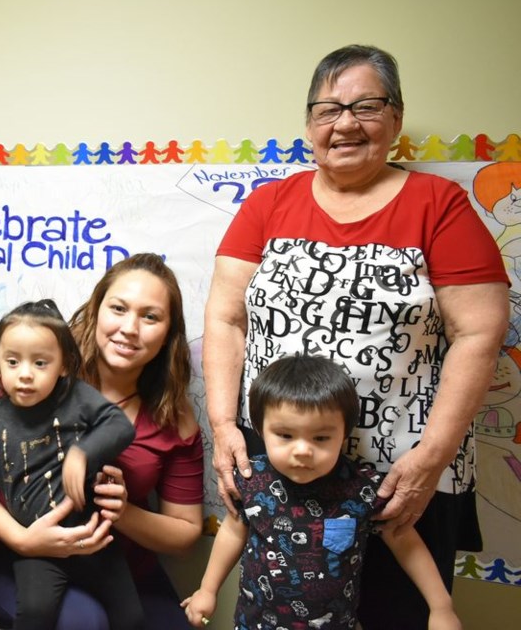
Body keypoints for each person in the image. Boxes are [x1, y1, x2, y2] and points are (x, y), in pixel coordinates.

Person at [202, 44, 509, 629]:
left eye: (365, 106)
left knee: (398, 612)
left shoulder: (439, 206)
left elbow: (478, 334)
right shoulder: (269, 203)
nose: (344, 123)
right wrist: (222, 426)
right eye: (327, 110)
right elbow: (225, 318)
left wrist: (430, 459)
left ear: (395, 117)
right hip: (284, 465)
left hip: (402, 474)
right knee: (287, 608)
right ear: (309, 124)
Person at [0, 253, 204, 630]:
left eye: (150, 317)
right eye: (118, 308)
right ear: (96, 309)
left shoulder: (173, 415)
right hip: (5, 552)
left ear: (168, 332)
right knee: (85, 623)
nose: (130, 328)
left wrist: (122, 512)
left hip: (111, 562)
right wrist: (23, 540)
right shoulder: (32, 367)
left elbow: (185, 531)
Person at [182, 355, 461, 630]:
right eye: (285, 435)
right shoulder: (252, 480)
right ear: (261, 430)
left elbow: (404, 540)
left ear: (345, 433)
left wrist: (441, 607)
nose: (303, 450)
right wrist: (208, 589)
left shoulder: (362, 489)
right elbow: (232, 531)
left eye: (321, 438)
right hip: (255, 624)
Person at [0, 299, 142, 630]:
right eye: (13, 362)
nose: (25, 374)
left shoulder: (78, 397)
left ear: (64, 365)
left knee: (131, 618)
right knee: (35, 616)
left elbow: (120, 426)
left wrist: (82, 453)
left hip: (93, 539)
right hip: (38, 547)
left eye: (40, 363)